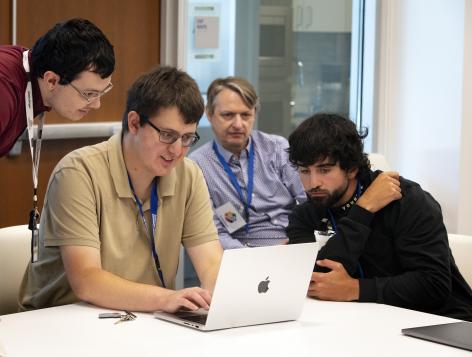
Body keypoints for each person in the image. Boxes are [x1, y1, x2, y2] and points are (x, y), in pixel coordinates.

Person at [0, 17, 115, 336]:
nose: (96, 104)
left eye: (103, 91)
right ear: (51, 79)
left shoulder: (28, 75)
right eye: (88, 94)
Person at [18, 66, 223, 313]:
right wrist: (167, 299)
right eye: (167, 135)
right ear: (135, 123)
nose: (177, 150)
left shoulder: (188, 175)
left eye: (188, 138)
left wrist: (219, 301)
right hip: (65, 320)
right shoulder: (78, 172)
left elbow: (211, 263)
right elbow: (87, 280)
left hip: (141, 319)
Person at [286, 113, 472, 321]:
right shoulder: (304, 215)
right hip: (363, 320)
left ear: (352, 168)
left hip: (438, 321)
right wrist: (363, 209)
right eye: (304, 170)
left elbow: (433, 285)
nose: (313, 183)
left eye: (325, 169)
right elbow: (313, 280)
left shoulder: (406, 200)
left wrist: (355, 289)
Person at [190, 77, 306, 249]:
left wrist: (298, 243)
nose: (238, 124)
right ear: (209, 114)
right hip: (238, 256)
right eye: (228, 115)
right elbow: (214, 232)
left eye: (245, 115)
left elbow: (307, 201)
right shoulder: (197, 165)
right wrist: (250, 259)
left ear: (254, 114)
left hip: (290, 245)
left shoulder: (276, 148)